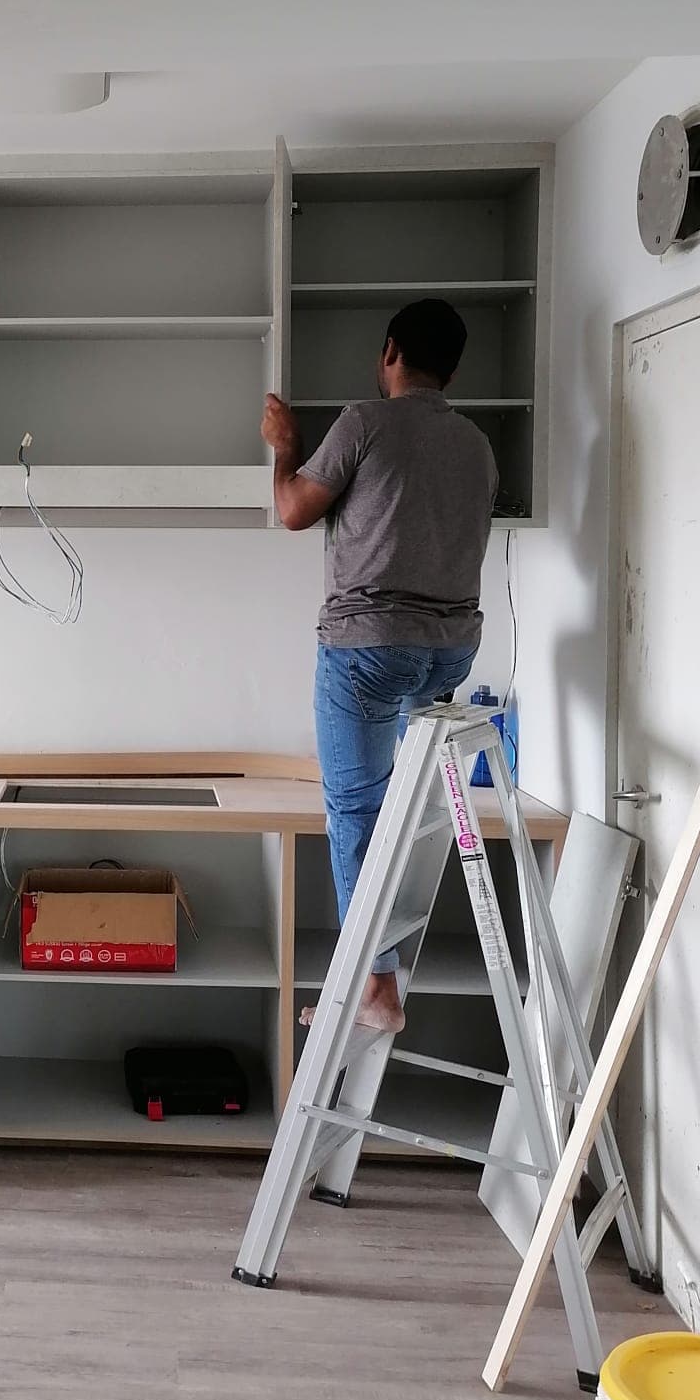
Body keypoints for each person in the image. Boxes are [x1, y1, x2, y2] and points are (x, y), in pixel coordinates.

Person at [261, 298, 498, 1033]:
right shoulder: (477, 444)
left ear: (390, 351)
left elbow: (294, 509)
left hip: (370, 646)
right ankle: (382, 969)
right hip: (450, 649)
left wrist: (284, 446)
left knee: (355, 812)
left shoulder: (364, 422)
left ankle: (376, 985)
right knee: (404, 810)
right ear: (451, 370)